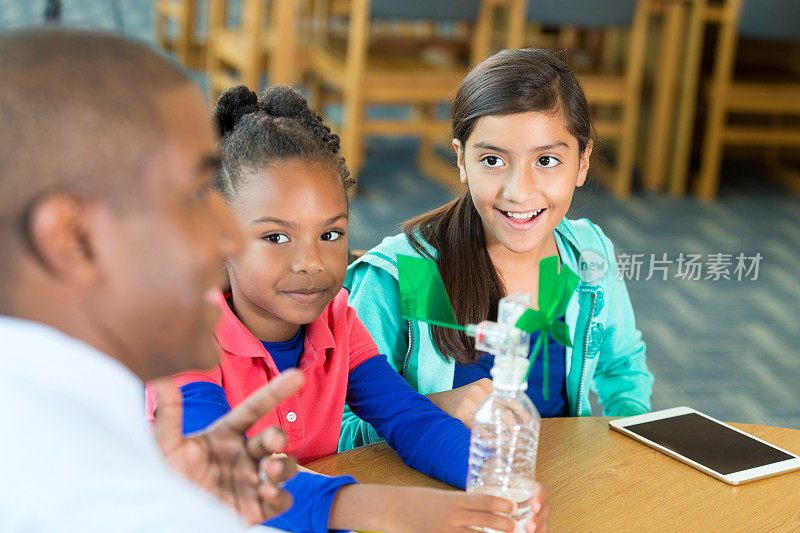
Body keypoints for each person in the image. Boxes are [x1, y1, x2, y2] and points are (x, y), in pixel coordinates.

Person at [147, 84, 550, 533]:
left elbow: (408, 419)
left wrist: (495, 481)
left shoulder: (337, 322)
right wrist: (394, 511)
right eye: (276, 237)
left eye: (331, 234)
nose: (311, 263)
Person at [0, 28, 302, 531]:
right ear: (75, 238)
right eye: (195, 193)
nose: (230, 237)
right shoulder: (113, 506)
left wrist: (176, 492)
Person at [341, 48, 654, 451]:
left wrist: (632, 445)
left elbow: (621, 364)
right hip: (434, 501)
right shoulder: (413, 274)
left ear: (582, 162)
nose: (518, 191)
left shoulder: (587, 257)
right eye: (492, 160)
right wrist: (426, 412)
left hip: (554, 495)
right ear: (461, 159)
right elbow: (338, 428)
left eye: (546, 160)